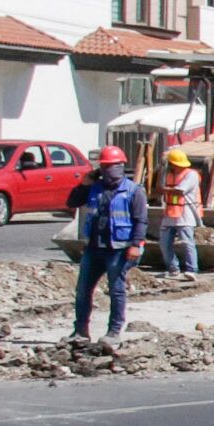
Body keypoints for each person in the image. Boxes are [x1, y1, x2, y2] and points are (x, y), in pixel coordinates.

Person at [66, 146, 149, 342]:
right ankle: (80, 331)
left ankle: (114, 331)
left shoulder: (133, 191)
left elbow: (141, 221)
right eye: (103, 166)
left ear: (121, 166)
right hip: (94, 248)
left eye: (111, 166)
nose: (107, 170)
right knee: (83, 290)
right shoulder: (95, 188)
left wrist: (136, 245)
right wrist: (84, 184)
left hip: (118, 250)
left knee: (116, 290)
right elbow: (72, 202)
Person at [160, 149, 202, 280]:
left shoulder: (191, 175)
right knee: (164, 243)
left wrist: (163, 189)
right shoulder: (168, 175)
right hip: (169, 214)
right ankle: (173, 269)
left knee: (187, 243)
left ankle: (192, 269)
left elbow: (179, 191)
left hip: (185, 214)